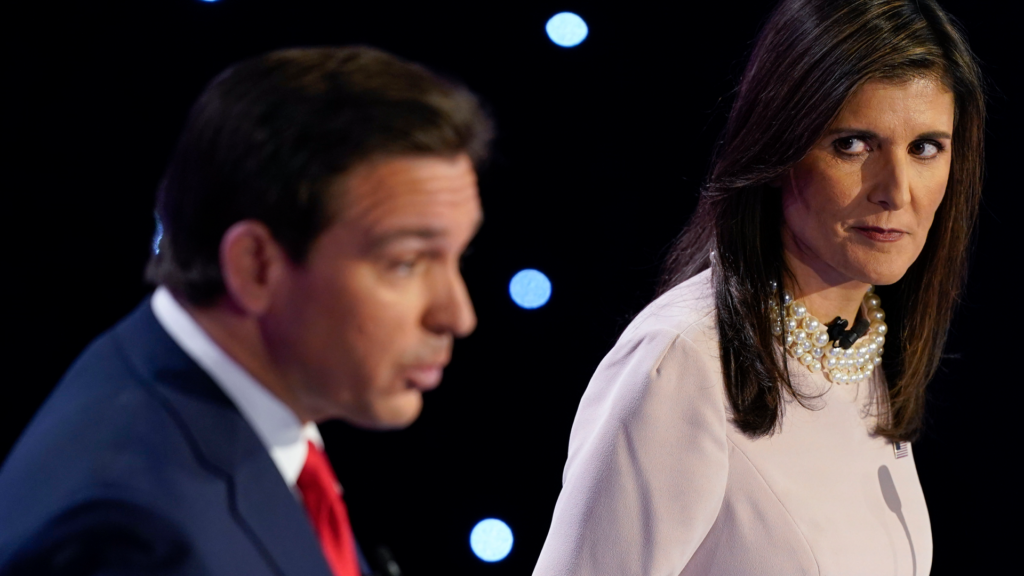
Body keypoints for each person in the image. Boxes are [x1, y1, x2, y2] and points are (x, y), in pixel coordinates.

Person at [0, 46, 492, 576]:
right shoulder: (132, 537)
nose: (457, 315)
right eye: (406, 262)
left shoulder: (208, 398)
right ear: (256, 265)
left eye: (457, 257)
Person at [533, 0, 983, 574]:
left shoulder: (860, 344)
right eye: (852, 144)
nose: (897, 191)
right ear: (779, 148)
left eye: (925, 148)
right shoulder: (683, 363)